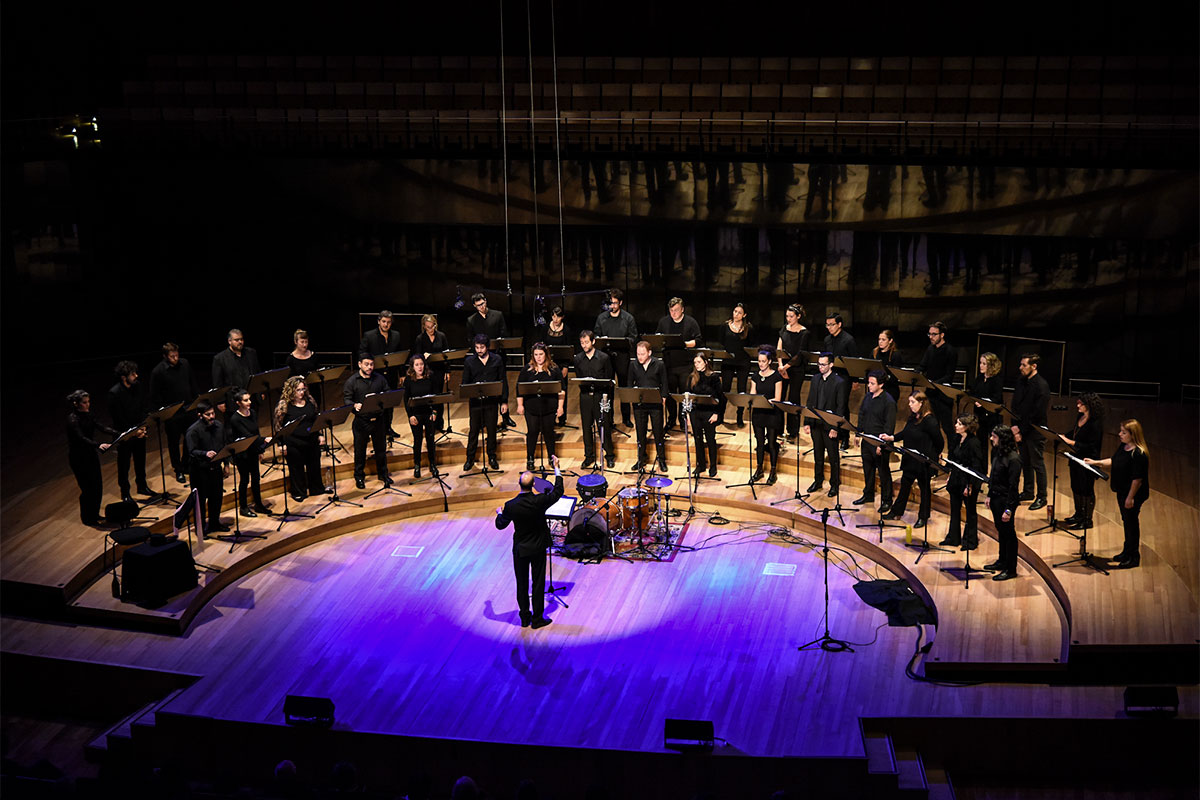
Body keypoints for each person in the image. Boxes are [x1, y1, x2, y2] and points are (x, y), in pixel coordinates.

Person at [494, 455, 563, 629]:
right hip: (538, 547)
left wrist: (499, 513)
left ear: (519, 485)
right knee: (538, 583)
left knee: (522, 583)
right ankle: (538, 619)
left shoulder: (510, 506)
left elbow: (500, 525)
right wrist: (556, 468)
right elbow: (558, 492)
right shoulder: (539, 501)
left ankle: (525, 617)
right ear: (533, 485)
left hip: (521, 550)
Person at [1086, 419, 1150, 567]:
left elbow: (1137, 479)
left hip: (1133, 494)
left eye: (1123, 432)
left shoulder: (1139, 454)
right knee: (1127, 522)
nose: (1119, 434)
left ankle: (1133, 557)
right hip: (1122, 491)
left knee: (1131, 524)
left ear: (1132, 434)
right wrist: (1096, 462)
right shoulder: (1124, 446)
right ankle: (1126, 551)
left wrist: (1130, 498)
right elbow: (1114, 461)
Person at [881, 390, 944, 527]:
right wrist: (891, 438)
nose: (910, 405)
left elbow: (939, 442)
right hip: (910, 459)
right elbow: (905, 433)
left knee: (924, 490)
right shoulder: (913, 417)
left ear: (921, 403)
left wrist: (934, 456)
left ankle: (923, 517)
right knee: (904, 486)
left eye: (912, 402)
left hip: (922, 462)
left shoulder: (930, 421)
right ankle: (896, 512)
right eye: (909, 402)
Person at [149, 342, 199, 483]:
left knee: (191, 439)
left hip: (188, 408)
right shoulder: (158, 372)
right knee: (173, 443)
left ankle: (186, 464)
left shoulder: (185, 364)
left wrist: (198, 404)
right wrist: (161, 414)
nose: (176, 358)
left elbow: (193, 383)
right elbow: (154, 396)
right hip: (173, 413)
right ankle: (179, 470)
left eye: (177, 355)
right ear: (165, 356)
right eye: (172, 356)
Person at [465, 293, 515, 429]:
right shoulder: (471, 320)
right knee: (484, 386)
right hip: (481, 359)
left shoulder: (497, 315)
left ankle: (505, 415)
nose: (482, 307)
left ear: (486, 301)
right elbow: (470, 340)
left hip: (496, 357)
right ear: (474, 306)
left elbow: (503, 335)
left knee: (502, 383)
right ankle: (483, 419)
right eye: (478, 305)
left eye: (483, 303)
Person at [343, 353, 392, 490]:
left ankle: (383, 474)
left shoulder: (379, 379)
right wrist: (353, 405)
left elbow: (387, 392)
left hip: (378, 420)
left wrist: (384, 398)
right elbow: (347, 399)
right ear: (359, 364)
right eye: (366, 364)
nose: (369, 367)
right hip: (362, 421)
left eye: (371, 364)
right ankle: (359, 476)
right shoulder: (352, 381)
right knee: (360, 451)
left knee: (381, 449)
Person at [66, 390, 115, 525]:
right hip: (78, 458)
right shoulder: (72, 419)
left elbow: (102, 427)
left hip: (90, 455)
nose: (87, 405)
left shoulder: (88, 415)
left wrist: (119, 433)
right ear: (76, 404)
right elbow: (81, 438)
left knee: (97, 486)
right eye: (84, 403)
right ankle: (87, 518)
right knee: (88, 488)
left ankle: (94, 514)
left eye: (88, 402)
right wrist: (98, 445)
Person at [654, 297, 703, 431]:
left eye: (676, 310)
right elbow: (657, 338)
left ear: (682, 309)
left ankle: (683, 419)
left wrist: (684, 344)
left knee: (683, 394)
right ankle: (671, 419)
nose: (673, 313)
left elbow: (698, 340)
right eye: (671, 310)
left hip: (685, 366)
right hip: (668, 365)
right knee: (669, 394)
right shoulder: (664, 322)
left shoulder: (690, 322)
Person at [461, 334, 508, 471]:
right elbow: (465, 383)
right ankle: (470, 458)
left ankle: (492, 457)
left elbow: (503, 382)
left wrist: (503, 402)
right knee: (474, 430)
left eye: (482, 347)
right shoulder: (469, 361)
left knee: (492, 430)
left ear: (487, 347)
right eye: (476, 347)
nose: (479, 350)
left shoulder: (497, 360)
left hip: (491, 402)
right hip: (476, 402)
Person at [1058, 392, 1105, 530]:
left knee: (1086, 489)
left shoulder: (1095, 424)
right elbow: (1075, 432)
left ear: (1089, 405)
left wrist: (1071, 442)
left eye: (1081, 403)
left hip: (1088, 460)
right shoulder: (1080, 416)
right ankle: (1079, 514)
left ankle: (1087, 520)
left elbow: (1091, 445)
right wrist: (1062, 436)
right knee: (1076, 486)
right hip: (1076, 457)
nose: (1077, 405)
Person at [109, 360, 153, 503]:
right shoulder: (114, 393)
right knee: (124, 465)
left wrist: (143, 427)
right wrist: (134, 432)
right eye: (132, 374)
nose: (136, 376)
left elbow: (143, 407)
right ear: (124, 377)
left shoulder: (138, 386)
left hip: (140, 430)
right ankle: (125, 492)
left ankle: (142, 486)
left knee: (140, 460)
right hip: (125, 435)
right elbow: (118, 418)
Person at [593, 287, 638, 427]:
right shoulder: (602, 318)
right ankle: (609, 419)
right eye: (610, 303)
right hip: (606, 357)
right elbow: (596, 336)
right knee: (608, 389)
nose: (612, 306)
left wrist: (624, 342)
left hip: (622, 357)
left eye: (614, 303)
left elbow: (633, 337)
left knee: (624, 387)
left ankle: (626, 418)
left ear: (621, 303)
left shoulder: (628, 318)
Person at [1011, 353, 1050, 510]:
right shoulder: (1021, 381)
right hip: (1020, 428)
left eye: (1024, 365)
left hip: (1034, 430)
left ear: (1034, 366)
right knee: (1025, 461)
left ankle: (1042, 497)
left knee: (1037, 464)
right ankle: (1028, 491)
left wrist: (1020, 430)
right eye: (1020, 364)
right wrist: (1014, 427)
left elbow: (1036, 413)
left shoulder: (1041, 386)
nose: (1020, 368)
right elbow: (1015, 404)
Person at [276, 376, 327, 500]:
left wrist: (320, 435)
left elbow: (315, 419)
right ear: (291, 390)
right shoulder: (284, 405)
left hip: (311, 439)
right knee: (296, 469)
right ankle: (298, 492)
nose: (302, 392)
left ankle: (316, 489)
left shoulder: (310, 400)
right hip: (293, 442)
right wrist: (281, 444)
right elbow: (278, 427)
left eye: (303, 389)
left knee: (314, 465)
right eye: (298, 390)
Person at [517, 344, 565, 471]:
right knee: (532, 432)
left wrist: (560, 407)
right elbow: (519, 389)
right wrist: (520, 405)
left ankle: (551, 457)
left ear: (546, 354)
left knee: (549, 433)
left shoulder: (554, 369)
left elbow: (561, 390)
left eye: (541, 354)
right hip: (531, 408)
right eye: (536, 355)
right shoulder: (527, 370)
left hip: (549, 408)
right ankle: (530, 458)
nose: (538, 357)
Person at [805, 353, 848, 497]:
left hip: (830, 426)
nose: (820, 367)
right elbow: (810, 400)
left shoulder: (839, 382)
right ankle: (818, 480)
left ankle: (834, 484)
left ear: (831, 365)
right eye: (819, 364)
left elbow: (841, 407)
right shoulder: (815, 378)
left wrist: (835, 427)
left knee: (833, 457)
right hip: (816, 424)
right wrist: (807, 422)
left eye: (823, 364)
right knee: (818, 455)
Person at [854, 370, 897, 512]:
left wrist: (882, 445)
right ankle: (868, 494)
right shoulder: (868, 397)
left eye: (872, 383)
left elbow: (889, 426)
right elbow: (862, 414)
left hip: (879, 442)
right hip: (867, 439)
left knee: (883, 472)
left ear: (881, 384)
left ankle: (887, 500)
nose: (869, 385)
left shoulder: (888, 402)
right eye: (869, 382)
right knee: (868, 469)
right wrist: (858, 434)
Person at [984, 425, 1022, 580]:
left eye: (994, 436)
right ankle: (1002, 561)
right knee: (1001, 531)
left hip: (1006, 500)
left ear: (1002, 438)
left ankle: (1011, 569)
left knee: (1009, 534)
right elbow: (993, 476)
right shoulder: (998, 452)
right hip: (995, 498)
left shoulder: (1014, 459)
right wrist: (989, 495)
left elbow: (1013, 487)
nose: (991, 438)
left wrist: (1008, 509)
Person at [359, 310, 404, 439]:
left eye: (388, 322)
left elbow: (400, 355)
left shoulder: (396, 335)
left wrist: (401, 374)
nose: (386, 325)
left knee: (390, 402)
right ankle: (370, 431)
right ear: (379, 321)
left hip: (391, 374)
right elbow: (362, 353)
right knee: (373, 403)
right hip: (374, 375)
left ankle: (387, 428)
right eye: (383, 322)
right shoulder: (369, 335)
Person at [942, 414, 985, 549]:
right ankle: (953, 538)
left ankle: (970, 541)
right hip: (956, 479)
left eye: (959, 424)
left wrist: (970, 485)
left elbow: (977, 466)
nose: (956, 425)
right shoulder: (957, 438)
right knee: (955, 509)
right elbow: (953, 459)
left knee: (970, 511)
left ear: (967, 427)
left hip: (969, 481)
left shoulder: (974, 443)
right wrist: (950, 474)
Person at [574, 330, 615, 469]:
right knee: (586, 427)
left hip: (600, 396)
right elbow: (579, 377)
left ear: (593, 341)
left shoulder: (604, 358)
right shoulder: (578, 358)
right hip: (585, 396)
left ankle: (609, 455)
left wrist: (606, 398)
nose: (584, 345)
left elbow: (610, 379)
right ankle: (589, 456)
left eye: (586, 342)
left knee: (604, 425)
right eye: (582, 343)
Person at [185, 402, 228, 532]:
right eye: (207, 414)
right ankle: (200, 527)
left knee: (216, 498)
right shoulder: (193, 431)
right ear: (200, 415)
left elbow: (224, 445)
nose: (211, 416)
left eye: (213, 413)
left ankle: (215, 523)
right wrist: (205, 454)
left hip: (215, 469)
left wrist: (226, 464)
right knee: (200, 502)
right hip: (200, 472)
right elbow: (191, 451)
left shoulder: (219, 426)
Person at [228, 389, 271, 516]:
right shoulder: (235, 419)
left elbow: (255, 432)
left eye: (249, 399)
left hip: (253, 451)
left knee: (256, 478)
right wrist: (264, 439)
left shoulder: (252, 412)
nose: (249, 402)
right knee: (245, 480)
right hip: (242, 454)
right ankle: (243, 507)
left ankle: (258, 504)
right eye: (246, 400)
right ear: (238, 403)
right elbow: (247, 436)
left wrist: (260, 450)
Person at [628, 339, 668, 472]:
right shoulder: (633, 365)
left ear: (649, 353)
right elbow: (629, 384)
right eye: (638, 354)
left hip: (655, 403)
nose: (640, 357)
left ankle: (661, 459)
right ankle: (641, 459)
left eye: (642, 354)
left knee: (658, 432)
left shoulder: (659, 364)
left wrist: (663, 398)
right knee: (641, 433)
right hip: (640, 404)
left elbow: (664, 382)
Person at [918, 321, 958, 454]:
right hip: (930, 394)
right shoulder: (930, 349)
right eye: (929, 334)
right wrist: (915, 373)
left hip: (943, 396)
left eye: (934, 334)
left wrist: (933, 383)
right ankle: (932, 457)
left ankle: (951, 459)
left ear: (942, 335)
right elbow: (922, 366)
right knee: (930, 427)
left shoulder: (950, 351)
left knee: (947, 429)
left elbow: (949, 376)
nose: (931, 337)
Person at [685, 352, 725, 477]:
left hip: (709, 412)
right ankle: (700, 465)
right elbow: (688, 397)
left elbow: (720, 398)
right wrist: (688, 415)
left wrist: (716, 414)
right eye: (695, 362)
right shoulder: (692, 377)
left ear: (706, 362)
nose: (697, 365)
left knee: (710, 440)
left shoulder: (713, 377)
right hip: (696, 413)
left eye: (699, 362)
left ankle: (713, 466)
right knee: (697, 439)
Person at [776, 303, 811, 441]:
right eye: (787, 316)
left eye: (791, 316)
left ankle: (793, 431)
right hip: (782, 367)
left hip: (796, 369)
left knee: (793, 399)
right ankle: (778, 429)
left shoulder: (804, 333)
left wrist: (786, 367)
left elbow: (800, 354)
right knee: (780, 396)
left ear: (798, 316)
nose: (788, 319)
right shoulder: (784, 328)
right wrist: (780, 365)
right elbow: (779, 346)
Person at [749, 347, 784, 484]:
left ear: (769, 361)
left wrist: (765, 401)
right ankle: (759, 469)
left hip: (772, 414)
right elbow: (753, 393)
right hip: (759, 413)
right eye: (759, 361)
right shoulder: (755, 376)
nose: (761, 364)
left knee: (771, 443)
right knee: (759, 442)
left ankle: (773, 471)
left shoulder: (777, 377)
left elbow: (778, 398)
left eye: (763, 361)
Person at [403, 354, 441, 478]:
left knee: (430, 440)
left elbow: (436, 396)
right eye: (417, 365)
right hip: (416, 414)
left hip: (429, 413)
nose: (420, 367)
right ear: (412, 367)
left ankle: (432, 464)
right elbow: (406, 399)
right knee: (418, 440)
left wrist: (435, 412)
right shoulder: (409, 380)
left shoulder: (431, 376)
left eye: (421, 364)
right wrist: (410, 415)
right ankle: (417, 465)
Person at [413, 313, 451, 431]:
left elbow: (446, 355)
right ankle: (429, 425)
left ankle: (439, 423)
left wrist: (447, 371)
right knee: (428, 398)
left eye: (432, 326)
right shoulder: (420, 338)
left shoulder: (441, 336)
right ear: (424, 326)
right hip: (427, 372)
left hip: (439, 370)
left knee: (438, 397)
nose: (431, 329)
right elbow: (417, 356)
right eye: (428, 327)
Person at [211, 328, 261, 412]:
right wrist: (220, 401)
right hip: (232, 400)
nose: (240, 342)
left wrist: (260, 391)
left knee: (252, 422)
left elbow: (257, 373)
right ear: (229, 341)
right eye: (236, 340)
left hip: (251, 398)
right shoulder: (220, 358)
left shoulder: (251, 353)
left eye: (241, 339)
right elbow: (217, 382)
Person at [538, 307, 573, 425]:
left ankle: (562, 417)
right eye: (553, 316)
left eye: (558, 316)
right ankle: (549, 417)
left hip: (561, 364)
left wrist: (566, 366)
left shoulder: (567, 330)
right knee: (549, 389)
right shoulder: (545, 328)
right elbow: (541, 345)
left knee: (562, 389)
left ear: (562, 317)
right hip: (547, 363)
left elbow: (569, 349)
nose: (555, 319)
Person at [720, 303, 753, 426]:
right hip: (728, 361)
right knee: (725, 388)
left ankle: (739, 417)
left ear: (744, 315)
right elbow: (722, 341)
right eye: (735, 311)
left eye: (739, 312)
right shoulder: (725, 326)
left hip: (743, 362)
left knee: (741, 389)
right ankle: (720, 415)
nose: (736, 314)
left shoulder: (749, 328)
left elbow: (751, 344)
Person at [971, 352, 1004, 461]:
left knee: (995, 445)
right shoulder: (979, 378)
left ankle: (995, 471)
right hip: (980, 416)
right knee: (981, 445)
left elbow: (997, 398)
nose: (981, 365)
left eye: (984, 363)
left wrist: (984, 403)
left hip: (992, 417)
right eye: (980, 363)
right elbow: (973, 392)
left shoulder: (996, 380)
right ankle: (982, 473)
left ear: (991, 365)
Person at [872, 329, 904, 401]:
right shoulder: (874, 352)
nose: (880, 342)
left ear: (890, 341)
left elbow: (895, 376)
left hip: (890, 389)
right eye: (879, 339)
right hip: (876, 387)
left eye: (883, 339)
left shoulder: (895, 355)